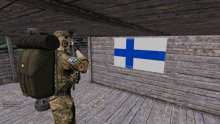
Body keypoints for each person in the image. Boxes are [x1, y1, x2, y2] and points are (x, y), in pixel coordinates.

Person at [49, 30, 89, 124]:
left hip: (53, 98)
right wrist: (77, 50)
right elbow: (83, 66)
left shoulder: (49, 55)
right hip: (62, 101)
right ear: (63, 42)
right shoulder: (62, 57)